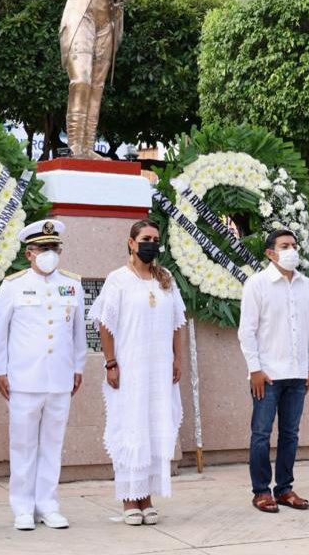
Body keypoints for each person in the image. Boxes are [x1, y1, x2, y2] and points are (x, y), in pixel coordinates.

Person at [0, 219, 87, 531]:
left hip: (59, 378)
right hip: (24, 379)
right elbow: (0, 332)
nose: (50, 253)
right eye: (43, 248)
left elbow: (77, 333)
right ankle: (22, 506)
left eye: (54, 248)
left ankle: (48, 503)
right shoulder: (13, 285)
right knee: (22, 444)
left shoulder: (72, 284)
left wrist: (78, 367)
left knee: (52, 444)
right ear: (29, 253)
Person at [88, 219, 185, 526]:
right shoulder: (118, 279)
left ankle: (148, 498)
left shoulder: (165, 278)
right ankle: (130, 499)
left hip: (159, 369)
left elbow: (177, 323)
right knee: (132, 427)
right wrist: (111, 362)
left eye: (156, 239)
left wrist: (176, 359)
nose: (151, 244)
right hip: (130, 367)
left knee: (154, 428)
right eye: (145, 238)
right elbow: (105, 323)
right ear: (131, 242)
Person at [238, 229, 309, 514]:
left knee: (290, 434)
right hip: (267, 375)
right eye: (285, 245)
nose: (292, 250)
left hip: (297, 374)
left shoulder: (306, 285)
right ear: (270, 253)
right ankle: (261, 491)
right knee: (261, 434)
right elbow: (246, 332)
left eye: (294, 245)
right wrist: (255, 370)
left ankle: (284, 488)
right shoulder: (257, 284)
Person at [55, 0, 136, 158]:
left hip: (107, 16)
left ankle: (87, 148)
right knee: (81, 78)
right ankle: (74, 147)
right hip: (80, 10)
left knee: (97, 85)